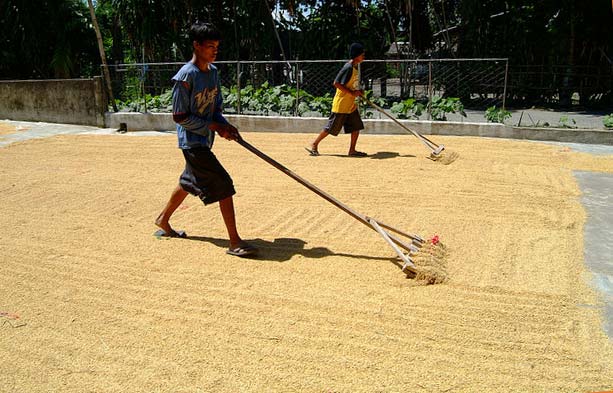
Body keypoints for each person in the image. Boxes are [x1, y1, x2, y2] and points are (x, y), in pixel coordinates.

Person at [154, 22, 256, 257]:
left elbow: (215, 108)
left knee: (188, 182)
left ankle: (163, 220)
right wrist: (212, 126)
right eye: (210, 46)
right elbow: (179, 116)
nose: (214, 50)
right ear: (197, 46)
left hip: (205, 139)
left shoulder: (213, 73)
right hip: (192, 142)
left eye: (217, 47)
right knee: (223, 185)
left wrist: (224, 125)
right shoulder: (185, 77)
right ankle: (234, 242)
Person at [306, 42, 367, 157]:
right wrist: (352, 93)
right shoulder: (348, 67)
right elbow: (337, 83)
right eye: (362, 54)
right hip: (342, 105)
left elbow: (351, 84)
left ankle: (352, 150)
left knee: (356, 126)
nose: (363, 56)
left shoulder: (354, 67)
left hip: (350, 104)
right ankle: (314, 144)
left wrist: (359, 91)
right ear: (356, 55)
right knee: (331, 128)